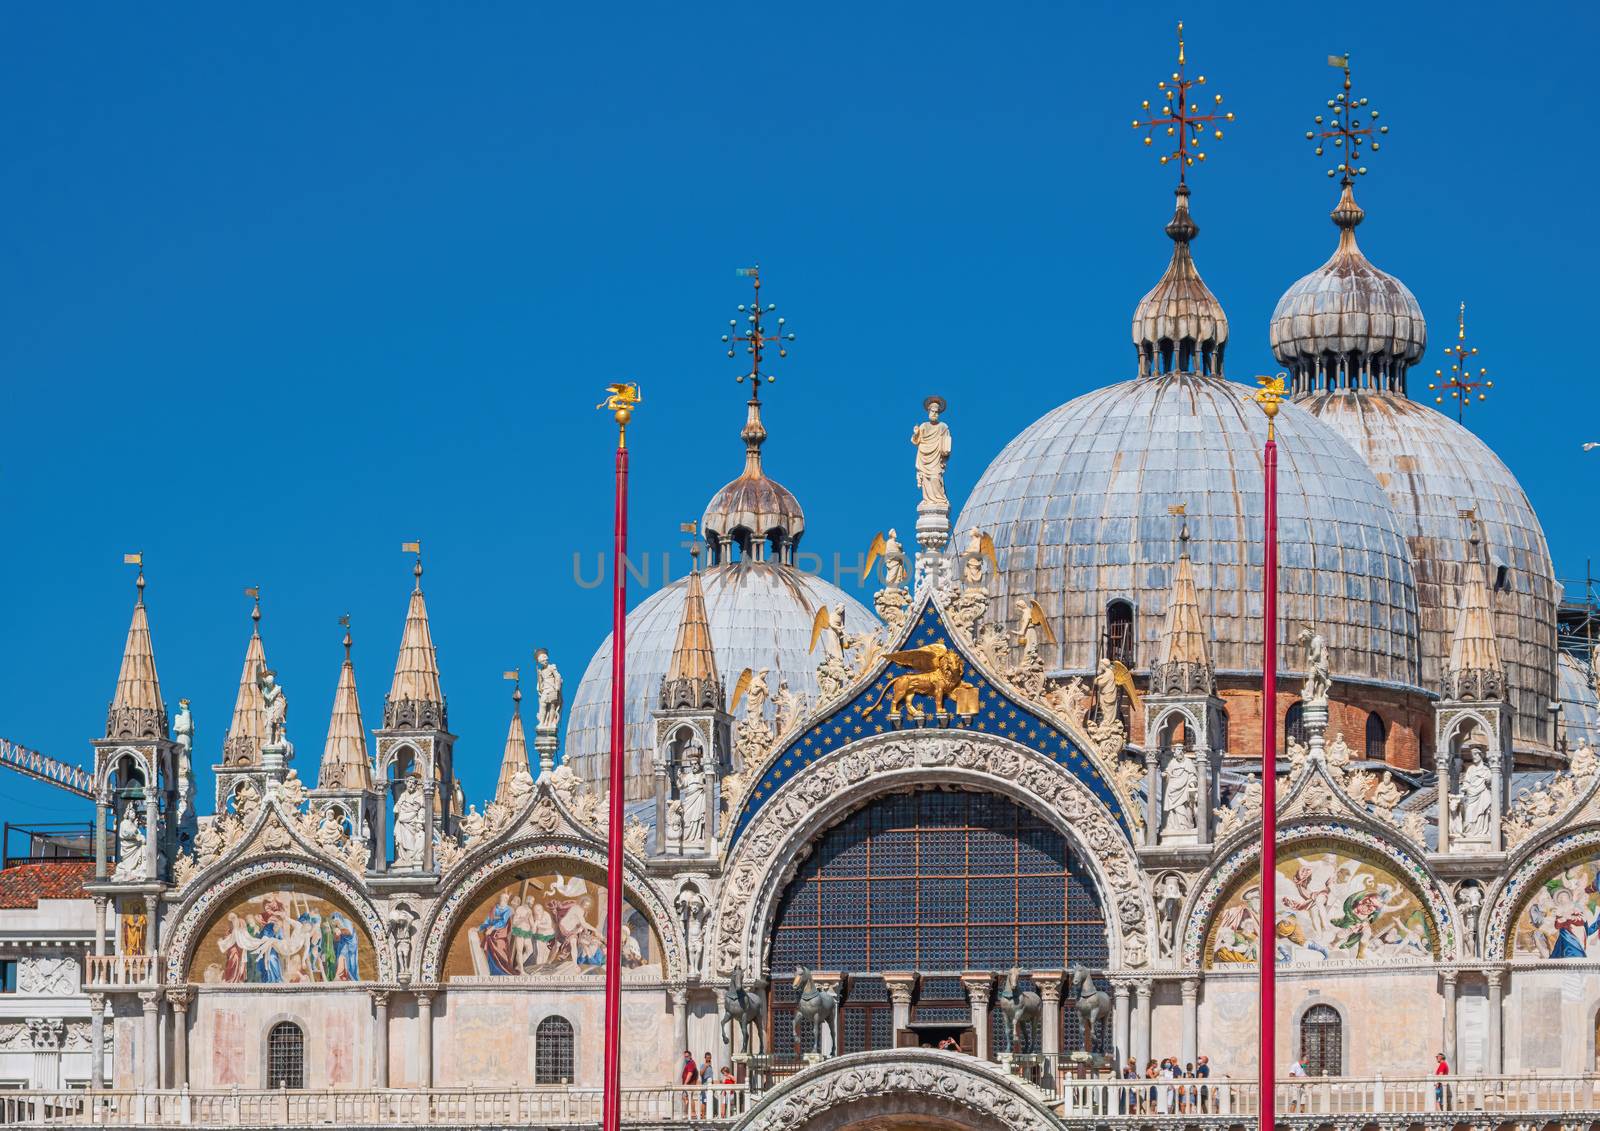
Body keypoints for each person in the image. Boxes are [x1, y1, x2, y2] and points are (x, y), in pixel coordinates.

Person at [679, 1050, 698, 1118]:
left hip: (689, 1084)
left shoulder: (691, 1063)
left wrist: (685, 1083)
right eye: (685, 1056)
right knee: (685, 1098)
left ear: (690, 1056)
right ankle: (686, 1113)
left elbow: (690, 1074)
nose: (686, 1058)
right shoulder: (689, 1063)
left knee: (690, 1098)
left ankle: (693, 1113)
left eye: (687, 1056)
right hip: (688, 1083)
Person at [700, 1052, 714, 1117]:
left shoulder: (710, 1066)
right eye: (707, 1057)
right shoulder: (703, 1065)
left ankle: (707, 1114)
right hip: (705, 1085)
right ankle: (703, 1115)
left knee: (708, 1100)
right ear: (705, 1058)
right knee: (704, 1101)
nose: (708, 1059)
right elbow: (701, 1073)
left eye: (709, 1058)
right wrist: (705, 1066)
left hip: (710, 1086)